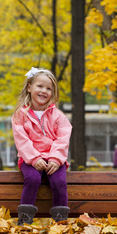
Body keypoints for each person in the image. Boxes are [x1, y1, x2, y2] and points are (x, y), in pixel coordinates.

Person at [12, 67, 72, 225]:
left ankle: (61, 222)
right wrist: (33, 158)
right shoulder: (20, 115)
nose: (44, 91)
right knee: (32, 179)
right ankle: (24, 220)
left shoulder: (58, 116)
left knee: (59, 182)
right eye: (40, 86)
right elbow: (21, 139)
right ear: (29, 87)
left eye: (49, 88)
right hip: (30, 159)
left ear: (53, 93)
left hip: (54, 160)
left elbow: (63, 138)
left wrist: (56, 159)